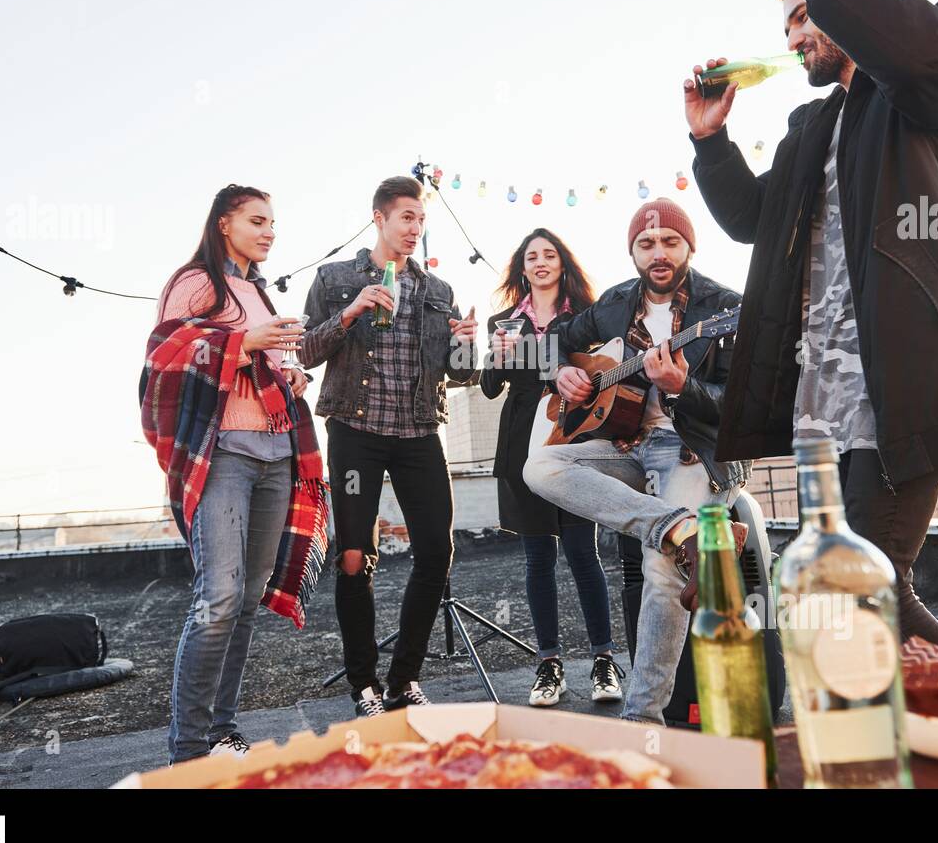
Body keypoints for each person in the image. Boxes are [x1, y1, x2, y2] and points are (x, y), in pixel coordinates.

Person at [686, 0, 938, 655]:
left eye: (802, 16)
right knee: (848, 587)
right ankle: (919, 739)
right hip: (825, 396)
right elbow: (756, 220)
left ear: (844, 0)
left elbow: (896, 31)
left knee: (867, 582)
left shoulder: (935, 72)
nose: (792, 40)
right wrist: (711, 143)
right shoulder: (811, 125)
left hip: (905, 377)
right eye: (785, 25)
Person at [523, 198, 750, 725]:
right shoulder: (616, 301)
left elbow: (743, 409)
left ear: (689, 246)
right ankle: (681, 527)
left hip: (700, 450)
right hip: (630, 446)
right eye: (646, 245)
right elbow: (554, 342)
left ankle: (642, 721)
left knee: (659, 565)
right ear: (633, 252)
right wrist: (561, 374)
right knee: (540, 468)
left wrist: (683, 386)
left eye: (670, 242)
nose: (659, 253)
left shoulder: (727, 307)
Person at [143, 184, 325, 766]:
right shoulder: (195, 281)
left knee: (246, 596)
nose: (269, 230)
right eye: (257, 220)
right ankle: (189, 750)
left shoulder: (260, 291)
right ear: (225, 223)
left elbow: (261, 360)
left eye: (273, 222)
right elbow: (165, 354)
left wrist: (289, 375)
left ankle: (221, 725)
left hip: (277, 451)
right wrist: (243, 342)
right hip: (222, 450)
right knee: (217, 596)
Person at [300, 175, 478, 717]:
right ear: (379, 218)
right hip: (356, 434)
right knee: (354, 557)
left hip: (419, 433)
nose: (414, 229)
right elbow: (305, 351)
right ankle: (364, 686)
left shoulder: (438, 291)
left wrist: (467, 347)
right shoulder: (334, 279)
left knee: (437, 552)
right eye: (406, 218)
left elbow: (461, 375)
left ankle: (403, 678)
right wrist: (350, 311)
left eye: (421, 220)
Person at [480, 228, 624, 708]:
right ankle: (549, 665)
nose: (540, 261)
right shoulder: (504, 322)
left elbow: (605, 368)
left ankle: (604, 661)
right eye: (531, 256)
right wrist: (495, 359)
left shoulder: (587, 316)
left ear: (563, 263)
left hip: (575, 436)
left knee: (584, 553)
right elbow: (488, 387)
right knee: (538, 558)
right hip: (522, 440)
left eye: (549, 254)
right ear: (522, 268)